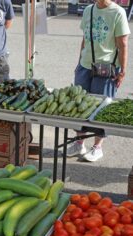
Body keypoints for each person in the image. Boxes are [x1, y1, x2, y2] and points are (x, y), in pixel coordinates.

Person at [67, 0, 130, 162]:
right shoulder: (89, 10)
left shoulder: (117, 13)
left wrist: (122, 71)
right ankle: (79, 142)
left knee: (101, 109)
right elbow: (85, 39)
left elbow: (123, 44)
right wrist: (78, 61)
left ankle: (97, 147)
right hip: (85, 66)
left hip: (106, 68)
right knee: (78, 106)